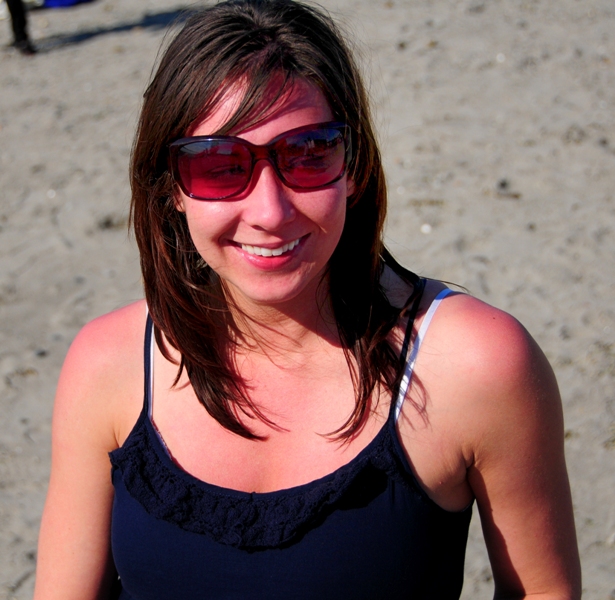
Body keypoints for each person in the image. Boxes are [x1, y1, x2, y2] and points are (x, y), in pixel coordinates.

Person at [33, 0, 581, 598]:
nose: (269, 212)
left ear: (355, 166)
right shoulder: (106, 366)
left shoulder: (477, 367)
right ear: (171, 188)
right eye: (219, 164)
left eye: (308, 153)